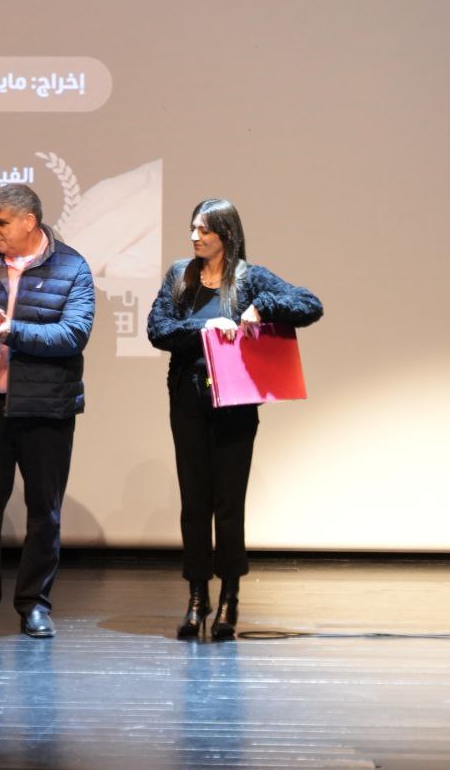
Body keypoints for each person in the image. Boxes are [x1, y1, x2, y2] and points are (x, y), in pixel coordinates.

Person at [147, 198, 322, 641]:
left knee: (228, 504)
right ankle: (196, 596)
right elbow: (157, 329)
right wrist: (203, 329)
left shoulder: (249, 277)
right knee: (194, 503)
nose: (195, 237)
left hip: (236, 402)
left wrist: (261, 308)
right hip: (188, 398)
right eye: (192, 228)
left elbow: (310, 304)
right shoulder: (180, 275)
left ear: (226, 235)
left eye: (204, 230)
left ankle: (229, 596)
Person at [0, 184, 94, 638]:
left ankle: (34, 605)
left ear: (29, 221)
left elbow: (74, 333)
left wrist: (13, 332)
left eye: (1, 222)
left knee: (43, 511)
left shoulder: (72, 266)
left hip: (46, 408)